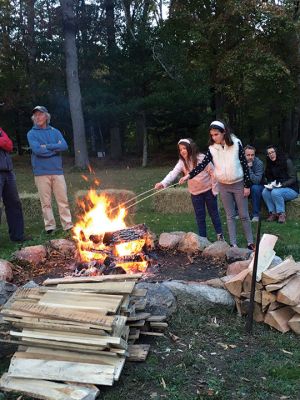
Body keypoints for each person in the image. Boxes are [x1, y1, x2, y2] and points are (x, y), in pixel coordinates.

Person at [179, 120, 254, 250]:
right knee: (229, 215)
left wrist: (247, 186)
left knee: (243, 215)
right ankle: (233, 244)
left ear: (224, 132)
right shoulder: (212, 149)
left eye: (216, 134)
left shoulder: (236, 144)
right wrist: (189, 175)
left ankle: (250, 242)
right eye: (212, 135)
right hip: (223, 185)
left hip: (238, 184)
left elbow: (244, 165)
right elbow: (202, 165)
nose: (214, 137)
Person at [154, 138, 224, 241]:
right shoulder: (182, 162)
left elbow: (213, 173)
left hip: (209, 190)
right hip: (195, 193)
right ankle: (203, 239)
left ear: (190, 148)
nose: (182, 151)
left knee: (214, 213)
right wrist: (163, 183)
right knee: (200, 217)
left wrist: (214, 189)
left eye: (184, 148)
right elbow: (173, 173)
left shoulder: (201, 158)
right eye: (180, 149)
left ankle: (220, 236)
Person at [27, 106, 73, 233]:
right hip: (41, 173)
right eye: (35, 115)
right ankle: (50, 227)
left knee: (62, 200)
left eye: (40, 114)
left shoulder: (55, 131)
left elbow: (64, 146)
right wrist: (54, 149)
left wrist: (47, 147)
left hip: (57, 171)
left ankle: (67, 225)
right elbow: (37, 151)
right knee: (45, 203)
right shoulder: (31, 133)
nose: (37, 117)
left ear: (46, 116)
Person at [0, 126, 29, 242]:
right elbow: (5, 143)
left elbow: (10, 145)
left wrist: (3, 142)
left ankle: (18, 236)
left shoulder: (1, 129)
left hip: (8, 172)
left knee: (14, 204)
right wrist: (3, 141)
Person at [262, 145, 299, 223]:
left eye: (272, 152)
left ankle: (281, 214)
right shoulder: (269, 164)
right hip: (277, 188)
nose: (271, 154)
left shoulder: (287, 161)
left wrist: (281, 185)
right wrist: (270, 185)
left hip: (291, 189)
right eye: (269, 153)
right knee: (265, 192)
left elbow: (293, 178)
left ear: (276, 152)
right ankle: (273, 213)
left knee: (275, 192)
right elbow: (268, 178)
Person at [244, 145, 265, 222]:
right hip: (246, 184)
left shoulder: (259, 163)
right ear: (244, 155)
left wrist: (248, 168)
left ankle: (256, 215)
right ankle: (239, 212)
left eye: (252, 155)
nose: (250, 157)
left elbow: (257, 181)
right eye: (248, 155)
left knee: (254, 188)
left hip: (259, 186)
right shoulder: (240, 162)